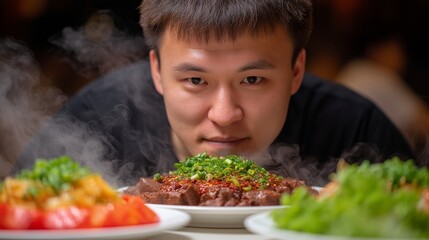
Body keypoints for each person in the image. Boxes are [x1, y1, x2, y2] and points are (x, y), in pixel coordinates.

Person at [14, 0, 415, 187]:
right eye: (195, 81)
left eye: (253, 80)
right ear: (156, 71)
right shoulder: (94, 121)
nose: (224, 115)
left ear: (296, 71)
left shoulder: (356, 131)